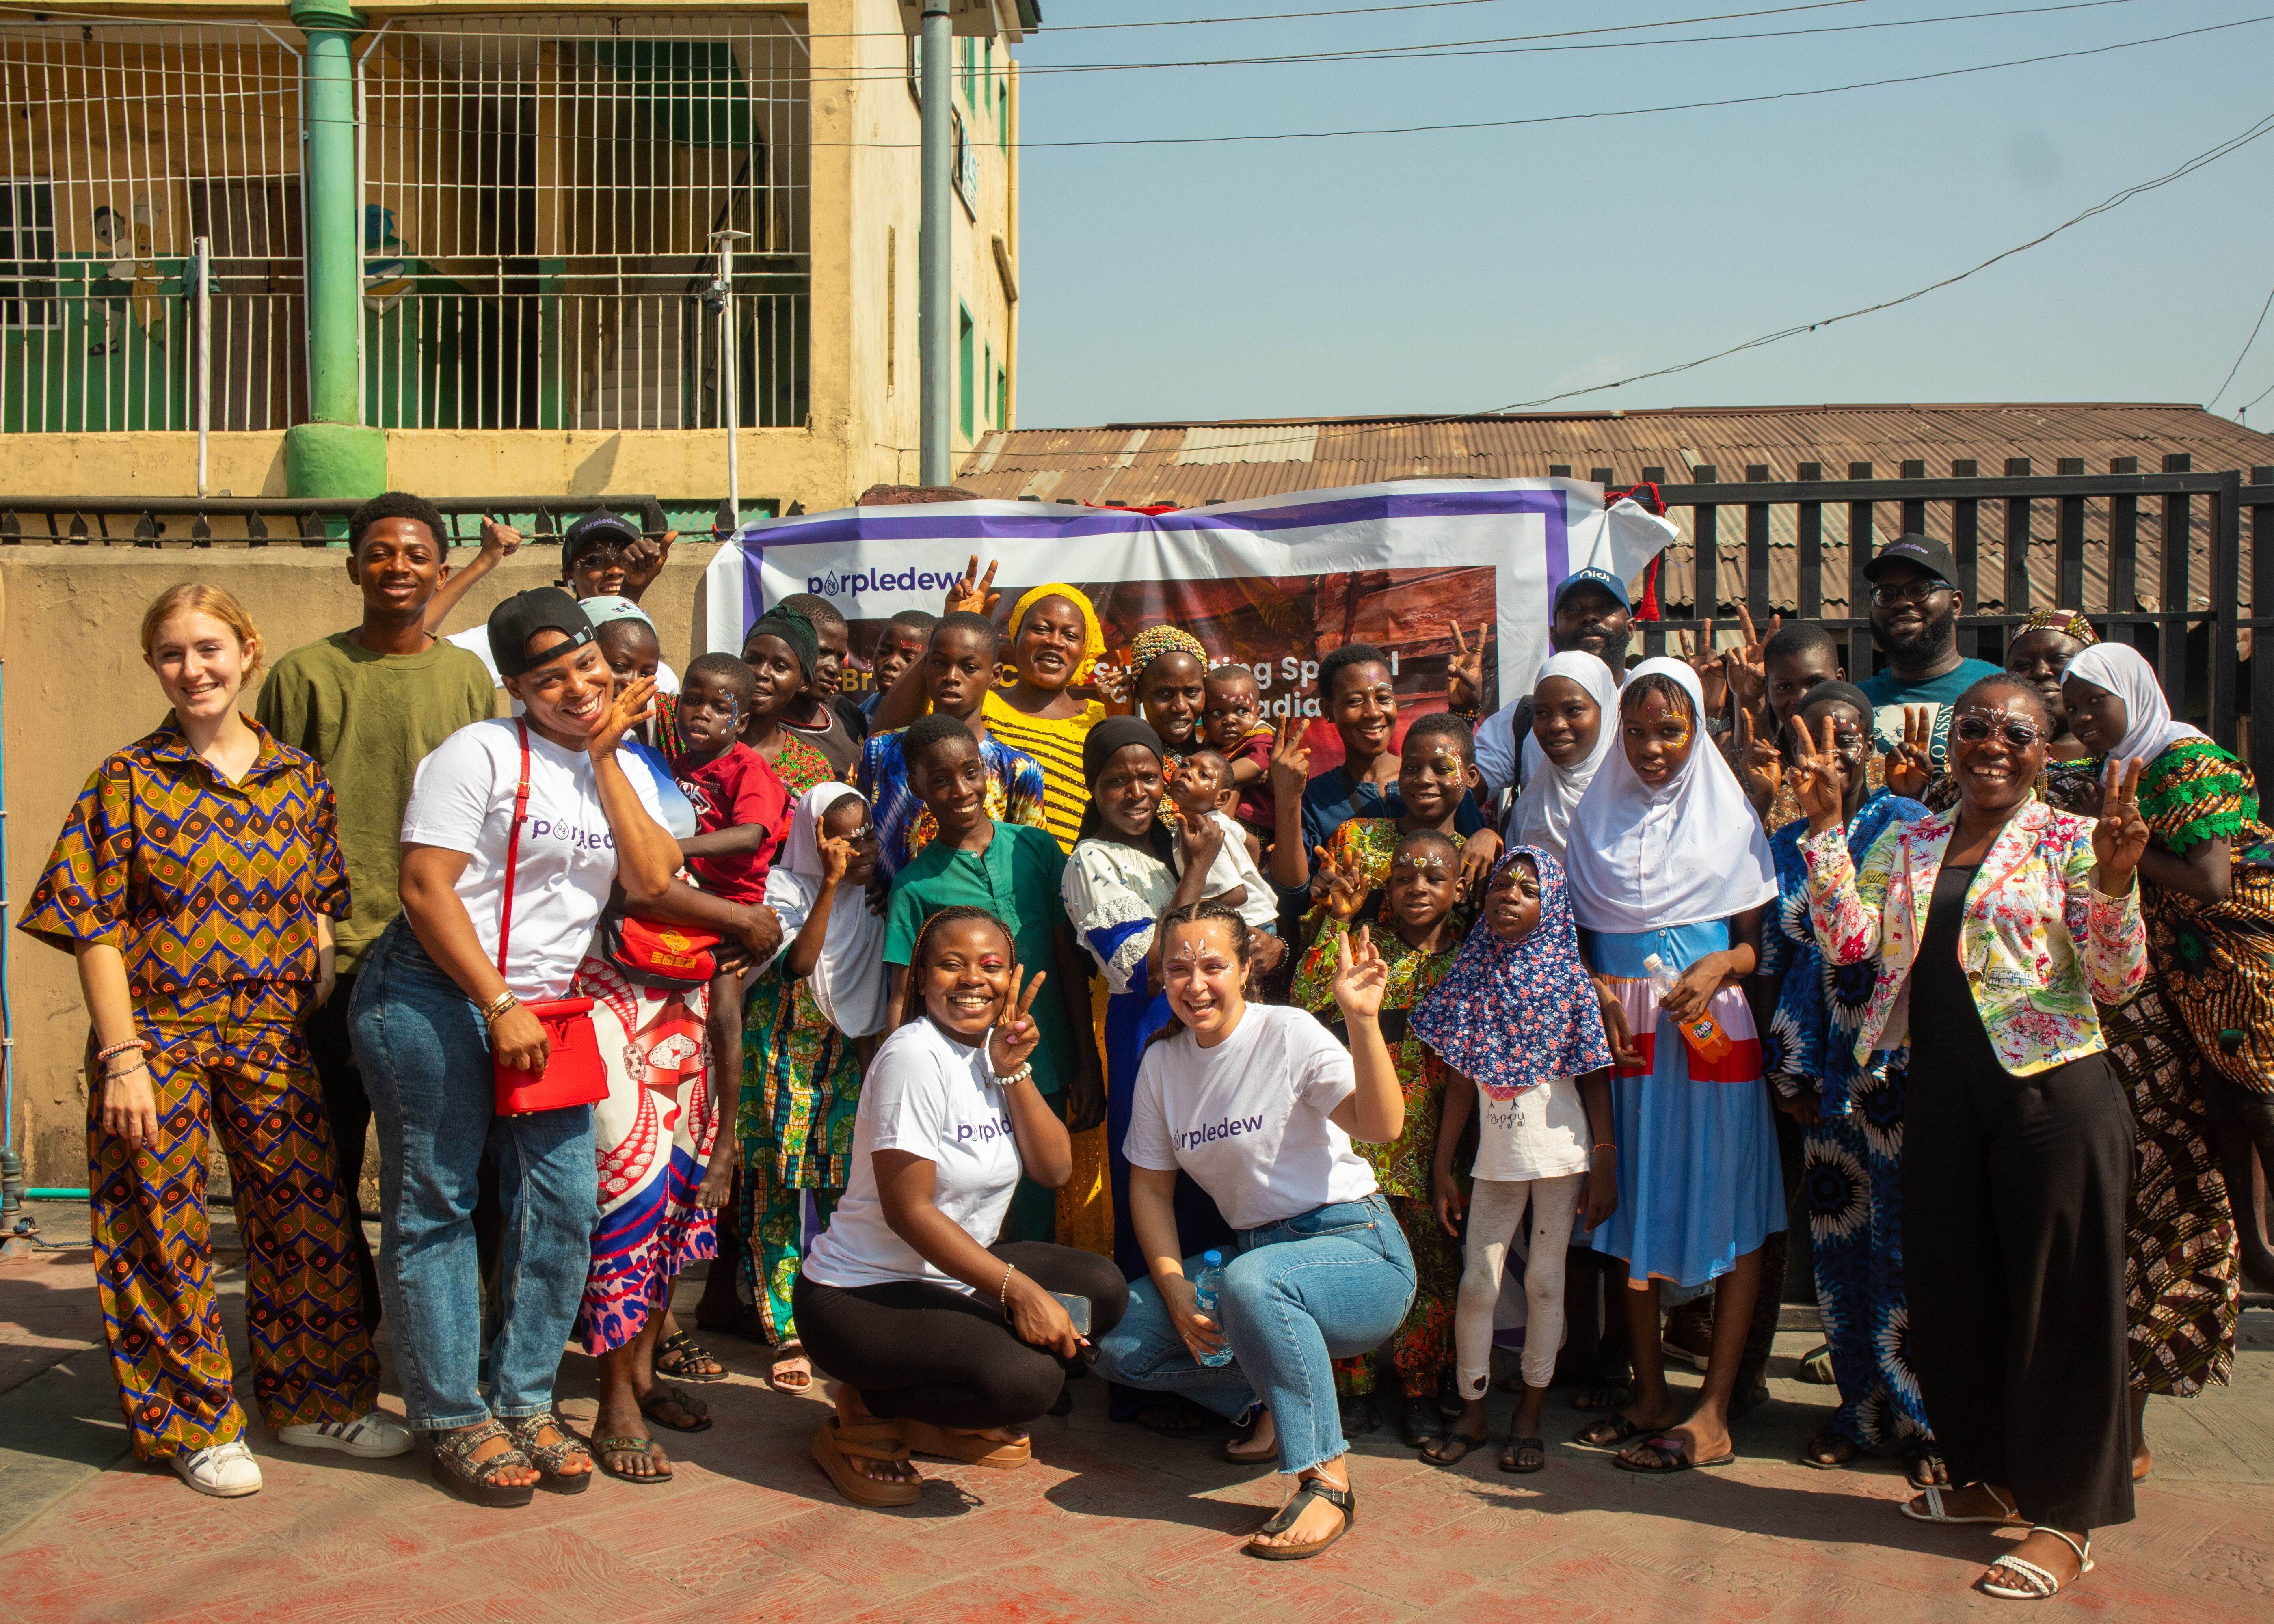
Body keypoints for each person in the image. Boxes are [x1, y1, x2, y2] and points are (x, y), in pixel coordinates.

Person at [18, 584, 404, 1498]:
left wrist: (314, 953)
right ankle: (193, 1425)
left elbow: (320, 893)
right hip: (157, 1033)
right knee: (161, 1230)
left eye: (208, 649)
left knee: (306, 1216)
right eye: (171, 653)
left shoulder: (299, 778)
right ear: (153, 666)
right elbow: (91, 924)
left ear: (247, 650)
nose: (192, 669)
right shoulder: (126, 779)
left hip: (271, 1031)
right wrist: (122, 1058)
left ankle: (315, 1402)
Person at [1794, 674, 2149, 1600]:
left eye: (2017, 733)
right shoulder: (1913, 839)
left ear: (2045, 751)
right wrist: (1827, 831)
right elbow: (1851, 947)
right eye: (1977, 727)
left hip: (2051, 1096)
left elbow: (2117, 980)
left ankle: (2068, 1518)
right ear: (1952, 742)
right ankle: (1990, 1476)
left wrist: (2117, 883)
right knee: (1958, 1296)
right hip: (1944, 1094)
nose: (1994, 744)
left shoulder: (2071, 840)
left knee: (2059, 1304)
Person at [353, 587, 680, 1506]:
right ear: (515, 687)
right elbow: (425, 886)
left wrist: (606, 756)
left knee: (564, 1202)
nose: (578, 689)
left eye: (587, 668)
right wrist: (496, 1002)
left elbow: (654, 877)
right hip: (435, 991)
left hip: (547, 1011)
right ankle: (454, 1415)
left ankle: (526, 1399)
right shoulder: (481, 752)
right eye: (550, 680)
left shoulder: (618, 764)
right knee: (439, 1203)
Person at [1091, 904, 1417, 1560]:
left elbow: (1382, 1127)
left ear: (1246, 970)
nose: (1195, 984)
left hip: (1358, 1249)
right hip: (1258, 1264)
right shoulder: (1163, 1064)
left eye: (1213, 965)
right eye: (1178, 969)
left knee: (1254, 1281)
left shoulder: (1288, 1033)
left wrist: (1362, 1020)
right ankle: (1277, 1398)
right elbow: (1150, 1189)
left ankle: (1325, 1483)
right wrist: (1173, 1287)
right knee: (1120, 1342)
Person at [256, 492, 498, 1331]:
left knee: (444, 1165)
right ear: (352, 566)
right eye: (381, 552)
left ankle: (444, 1329)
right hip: (329, 957)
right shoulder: (302, 675)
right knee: (322, 1156)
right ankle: (343, 1327)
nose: (399, 567)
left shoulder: (466, 677)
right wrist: (300, 933)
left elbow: (491, 815)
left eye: (416, 554)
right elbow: (267, 814)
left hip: (439, 958)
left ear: (441, 568)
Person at [795, 907, 1129, 1505]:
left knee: (1100, 1290)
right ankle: (868, 1404)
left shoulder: (990, 1052)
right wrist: (1019, 1291)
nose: (973, 979)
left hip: (948, 1281)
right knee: (1029, 1382)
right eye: (952, 964)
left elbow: (1054, 1170)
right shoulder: (913, 1057)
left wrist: (1013, 1071)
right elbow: (908, 1211)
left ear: (1010, 978)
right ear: (923, 978)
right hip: (861, 1295)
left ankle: (930, 1413)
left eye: (990, 966)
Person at [1563, 659, 1784, 1475]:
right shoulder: (1591, 824)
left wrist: (1721, 963)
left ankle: (1714, 1409)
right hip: (1626, 1037)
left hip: (1711, 1029)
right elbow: (1575, 946)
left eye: (1671, 730)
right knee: (1633, 1199)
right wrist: (1594, 985)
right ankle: (1650, 1393)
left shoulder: (1732, 822)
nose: (1653, 747)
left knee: (1732, 1198)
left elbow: (1756, 948)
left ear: (1698, 732)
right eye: (1638, 732)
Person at [2061, 642, 2260, 1461]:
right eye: (2071, 704)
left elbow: (2212, 881)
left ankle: (2129, 1430)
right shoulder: (2112, 768)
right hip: (2154, 999)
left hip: (2218, 992)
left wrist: (2113, 851)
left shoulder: (2187, 761)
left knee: (2177, 1196)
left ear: (2136, 693)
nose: (2080, 717)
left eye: (2093, 701)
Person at [1754, 683, 1939, 1484]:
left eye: (1846, 737)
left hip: (1891, 1071)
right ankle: (1859, 1410)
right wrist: (1784, 1069)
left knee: (1904, 1251)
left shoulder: (1906, 823)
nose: (1828, 755)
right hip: (1818, 1075)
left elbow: (1898, 946)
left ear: (1868, 745)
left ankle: (1924, 1423)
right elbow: (1774, 959)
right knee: (1838, 1255)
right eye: (1809, 742)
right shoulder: (1782, 841)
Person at [1416, 847, 1617, 1473]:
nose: (1509, 896)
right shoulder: (1472, 975)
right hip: (1495, 1158)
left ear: (1551, 905)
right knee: (1478, 1282)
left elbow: (1595, 1076)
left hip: (1561, 1155)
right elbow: (1459, 1083)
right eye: (1502, 885)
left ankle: (1529, 1416)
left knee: (1545, 1282)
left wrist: (1606, 1160)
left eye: (1528, 890)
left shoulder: (1571, 982)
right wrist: (1443, 1166)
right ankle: (1473, 1412)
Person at [1061, 719, 1241, 1393]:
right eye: (1117, 780)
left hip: (1212, 1030)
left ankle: (1222, 1371)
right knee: (1156, 1188)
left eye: (1146, 776)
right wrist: (1196, 873)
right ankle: (1149, 1380)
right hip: (1149, 1031)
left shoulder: (1184, 838)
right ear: (1094, 787)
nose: (1135, 792)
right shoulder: (1091, 862)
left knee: (1214, 1187)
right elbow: (1144, 969)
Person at [885, 715, 1105, 1240]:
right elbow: (900, 998)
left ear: (986, 772)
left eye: (969, 772)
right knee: (970, 1213)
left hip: (1046, 1065)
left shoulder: (1037, 849)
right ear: (916, 787)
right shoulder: (914, 886)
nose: (961, 791)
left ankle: (1028, 1292)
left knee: (1036, 1213)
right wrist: (894, 1085)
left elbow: (1067, 963)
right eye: (940, 780)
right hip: (963, 1079)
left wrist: (1086, 1062)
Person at [1290, 829, 1469, 1445]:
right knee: (1352, 1263)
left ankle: (1421, 1388)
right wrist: (1336, 924)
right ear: (1385, 888)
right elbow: (1306, 998)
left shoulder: (1470, 957)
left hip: (1434, 1145)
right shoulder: (1366, 945)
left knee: (1432, 1269)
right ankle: (1354, 1387)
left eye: (1433, 877)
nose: (1417, 887)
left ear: (1458, 889)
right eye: (1403, 877)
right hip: (1359, 1136)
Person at [735, 783, 890, 1397]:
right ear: (813, 839)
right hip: (776, 1061)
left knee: (841, 1198)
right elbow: (799, 964)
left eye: (868, 835)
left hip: (841, 1064)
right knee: (773, 1201)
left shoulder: (876, 900)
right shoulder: (783, 890)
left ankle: (841, 1321)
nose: (860, 850)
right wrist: (828, 884)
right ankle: (787, 1334)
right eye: (843, 840)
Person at [1269, 650, 1494, 925]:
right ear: (1328, 710)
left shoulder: (1436, 787)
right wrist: (1288, 799)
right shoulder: (1315, 798)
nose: (1374, 712)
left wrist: (1487, 836)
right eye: (1355, 701)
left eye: (1384, 698)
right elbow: (1290, 900)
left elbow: (1475, 857)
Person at [860, 611, 1047, 882]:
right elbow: (860, 834)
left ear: (995, 675)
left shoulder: (1019, 770)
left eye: (969, 668)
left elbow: (1030, 866)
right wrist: (868, 882)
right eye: (939, 663)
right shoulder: (881, 750)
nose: (951, 676)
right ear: (925, 667)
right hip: (888, 906)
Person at [1295, 714, 1497, 946]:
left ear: (1471, 777)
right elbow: (1308, 939)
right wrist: (1328, 907)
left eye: (1442, 769)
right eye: (1411, 767)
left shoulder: (1473, 861)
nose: (1423, 779)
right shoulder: (1357, 838)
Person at [439, 508, 680, 693]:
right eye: (595, 561)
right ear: (569, 578)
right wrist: (483, 562)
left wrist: (631, 592)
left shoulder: (659, 678)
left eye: (627, 558)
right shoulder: (531, 634)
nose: (615, 570)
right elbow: (428, 654)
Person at [1476, 566, 1633, 802]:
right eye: (1573, 610)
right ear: (1553, 634)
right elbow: (1465, 789)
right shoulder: (1524, 717)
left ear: (1631, 628)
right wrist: (1463, 713)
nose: (1589, 618)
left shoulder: (1647, 707)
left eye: (1605, 608)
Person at [1855, 535, 2000, 769]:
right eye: (1886, 594)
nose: (1901, 603)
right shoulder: (1857, 701)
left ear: (1955, 605)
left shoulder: (1998, 690)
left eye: (1919, 590)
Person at [1506, 652, 1618, 864]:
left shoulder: (1634, 804)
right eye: (1542, 713)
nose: (1556, 725)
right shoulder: (1529, 808)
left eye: (1573, 710)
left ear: (1605, 711)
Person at [1164, 749, 1279, 935]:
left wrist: (1182, 903)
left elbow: (1236, 895)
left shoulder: (1206, 837)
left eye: (1203, 775)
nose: (1188, 773)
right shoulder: (1221, 821)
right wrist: (1248, 873)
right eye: (1184, 765)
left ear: (1221, 798)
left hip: (1250, 926)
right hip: (1259, 917)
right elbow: (1252, 843)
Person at [732, 608, 839, 797]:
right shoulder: (692, 727)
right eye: (753, 659)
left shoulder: (810, 768)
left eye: (779, 667)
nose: (761, 672)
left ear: (803, 683)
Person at [775, 592, 866, 775]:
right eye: (822, 653)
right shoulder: (763, 734)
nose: (834, 668)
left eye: (840, 658)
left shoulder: (845, 711)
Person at [1203, 664, 1278, 852]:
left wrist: (1209, 779)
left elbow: (1255, 765)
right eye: (1218, 713)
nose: (1230, 720)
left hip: (1257, 825)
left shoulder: (1262, 736)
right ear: (1204, 718)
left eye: (1242, 711)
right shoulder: (1209, 745)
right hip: (1223, 821)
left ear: (1258, 714)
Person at [1130, 625, 1210, 762]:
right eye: (1164, 693)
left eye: (1191, 692)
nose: (1181, 707)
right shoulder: (1135, 763)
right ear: (1138, 693)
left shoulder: (1229, 755)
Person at [859, 609, 936, 723]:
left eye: (909, 659)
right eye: (884, 652)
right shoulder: (867, 710)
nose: (891, 663)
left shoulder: (937, 715)